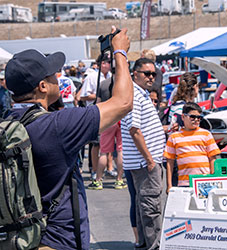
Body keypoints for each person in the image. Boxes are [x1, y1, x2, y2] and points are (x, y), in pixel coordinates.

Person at [4, 27, 132, 250]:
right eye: (53, 74)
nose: (58, 77)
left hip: (19, 239)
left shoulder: (7, 124)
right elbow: (122, 103)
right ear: (42, 87)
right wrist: (120, 53)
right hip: (57, 241)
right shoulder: (58, 125)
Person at [121, 57, 165, 250]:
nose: (151, 77)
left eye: (153, 74)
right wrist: (149, 159)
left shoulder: (141, 94)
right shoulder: (135, 95)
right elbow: (134, 129)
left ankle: (145, 245)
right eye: (147, 73)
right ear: (135, 74)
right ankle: (153, 247)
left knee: (146, 208)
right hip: (144, 164)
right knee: (151, 209)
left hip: (144, 163)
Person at [163, 102, 220, 193]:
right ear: (183, 117)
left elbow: (212, 158)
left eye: (199, 118)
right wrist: (169, 185)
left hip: (204, 181)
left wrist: (212, 178)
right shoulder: (174, 137)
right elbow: (170, 162)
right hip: (184, 182)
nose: (196, 120)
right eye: (192, 117)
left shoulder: (206, 134)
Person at [80, 53, 112, 184]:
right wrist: (100, 95)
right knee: (96, 144)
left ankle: (108, 168)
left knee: (108, 144)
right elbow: (83, 96)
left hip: (109, 113)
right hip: (96, 113)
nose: (110, 65)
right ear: (103, 64)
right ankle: (94, 169)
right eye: (109, 62)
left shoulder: (110, 77)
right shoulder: (92, 77)